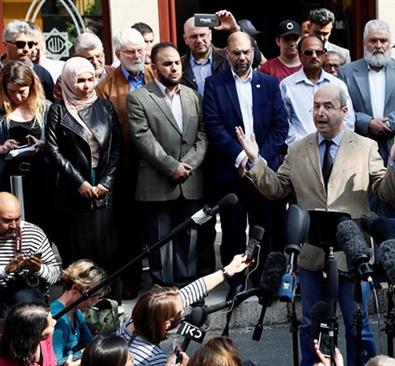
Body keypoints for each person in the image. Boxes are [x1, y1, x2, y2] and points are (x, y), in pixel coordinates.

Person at [237, 83, 395, 366]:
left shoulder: (365, 147)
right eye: (316, 106)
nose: (320, 112)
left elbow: (386, 192)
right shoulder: (298, 148)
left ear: (344, 110)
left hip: (351, 256)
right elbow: (278, 188)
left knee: (357, 327)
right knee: (310, 327)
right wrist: (256, 161)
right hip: (311, 255)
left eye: (328, 106)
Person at [202, 31, 288, 292]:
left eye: (246, 52)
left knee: (264, 228)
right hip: (231, 172)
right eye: (236, 52)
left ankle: (262, 281)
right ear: (227, 53)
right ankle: (236, 284)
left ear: (253, 52)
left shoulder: (270, 84)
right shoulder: (214, 85)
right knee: (233, 230)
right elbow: (214, 127)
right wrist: (241, 158)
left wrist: (256, 160)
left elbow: (280, 127)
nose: (241, 57)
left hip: (262, 172)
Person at [128, 42, 208, 286]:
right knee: (159, 243)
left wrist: (188, 164)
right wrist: (172, 167)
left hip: (191, 181)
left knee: (189, 240)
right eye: (167, 63)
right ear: (154, 67)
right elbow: (143, 138)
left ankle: (187, 289)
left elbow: (203, 135)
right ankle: (163, 295)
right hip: (157, 183)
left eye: (176, 62)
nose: (174, 68)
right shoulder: (139, 98)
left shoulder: (193, 96)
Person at [45, 57, 122, 300]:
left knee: (107, 251)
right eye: (80, 80)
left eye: (91, 79)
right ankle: (78, 306)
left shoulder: (105, 107)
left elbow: (117, 147)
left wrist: (106, 182)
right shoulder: (57, 111)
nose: (87, 86)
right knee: (79, 255)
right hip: (73, 190)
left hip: (103, 187)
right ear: (67, 81)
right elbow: (53, 150)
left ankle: (110, 305)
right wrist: (80, 182)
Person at [339, 19, 395, 225]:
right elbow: (343, 111)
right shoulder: (347, 72)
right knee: (367, 213)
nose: (378, 46)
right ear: (364, 42)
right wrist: (368, 123)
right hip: (361, 152)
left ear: (390, 42)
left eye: (383, 40)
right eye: (373, 40)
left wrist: (390, 123)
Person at [95, 28, 154, 300]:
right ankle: (131, 279)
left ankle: (158, 279)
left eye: (140, 49)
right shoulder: (105, 87)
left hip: (158, 166)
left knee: (157, 226)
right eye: (129, 51)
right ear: (118, 53)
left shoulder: (156, 74)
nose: (136, 55)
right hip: (127, 168)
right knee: (129, 230)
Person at [117, 255, 248, 366]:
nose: (184, 311)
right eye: (180, 312)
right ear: (166, 324)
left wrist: (228, 270)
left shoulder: (130, 322)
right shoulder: (154, 359)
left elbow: (189, 293)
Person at [0, 61, 53, 233]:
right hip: (8, 178)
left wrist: (42, 145)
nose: (17, 97)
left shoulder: (45, 109)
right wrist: (2, 148)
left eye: (22, 91)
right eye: (12, 92)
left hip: (41, 178)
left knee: (42, 227)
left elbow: (58, 143)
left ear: (32, 86)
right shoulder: (2, 110)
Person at [280, 35, 354, 145]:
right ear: (300, 56)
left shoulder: (338, 84)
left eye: (318, 52)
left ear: (324, 54)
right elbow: (283, 122)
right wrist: (301, 145)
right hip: (300, 151)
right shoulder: (287, 85)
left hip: (334, 150)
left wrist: (335, 143)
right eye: (308, 53)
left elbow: (348, 120)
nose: (314, 56)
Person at [0, 192, 60, 311]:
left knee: (26, 299)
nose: (13, 225)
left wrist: (39, 269)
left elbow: (56, 275)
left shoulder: (33, 233)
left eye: (17, 219)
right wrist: (5, 270)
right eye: (7, 221)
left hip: (25, 295)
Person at [50, 260, 106, 365]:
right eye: (92, 297)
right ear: (75, 288)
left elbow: (90, 343)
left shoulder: (76, 311)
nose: (94, 303)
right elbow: (54, 363)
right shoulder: (58, 319)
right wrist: (82, 354)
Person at [1, 21, 54, 101]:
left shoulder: (41, 74)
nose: (26, 49)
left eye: (30, 44)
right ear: (6, 44)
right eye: (20, 44)